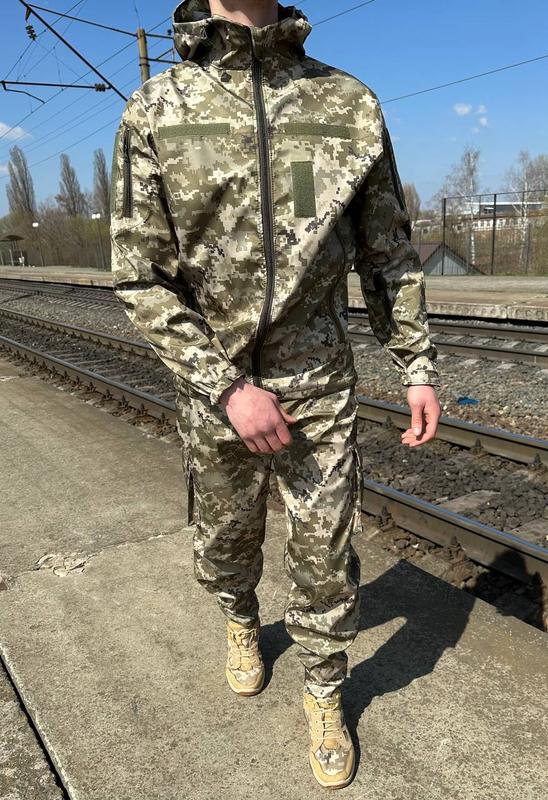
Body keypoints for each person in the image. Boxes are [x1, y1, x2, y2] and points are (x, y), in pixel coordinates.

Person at [110, 0, 441, 789]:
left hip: (319, 378)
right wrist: (226, 386)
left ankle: (324, 690)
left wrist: (417, 363)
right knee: (226, 541)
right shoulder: (158, 108)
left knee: (325, 553)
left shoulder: (346, 103)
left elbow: (388, 253)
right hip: (216, 390)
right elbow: (139, 275)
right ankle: (238, 616)